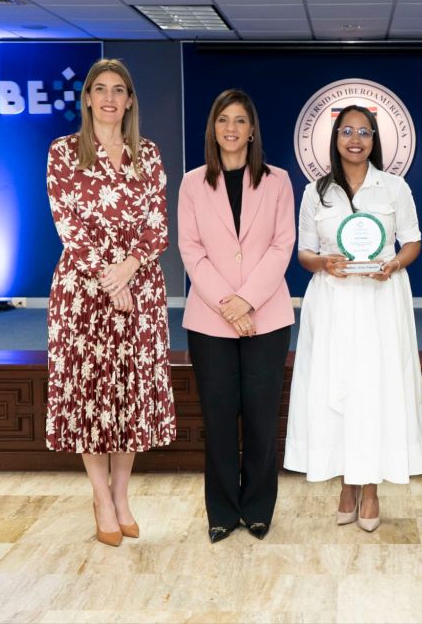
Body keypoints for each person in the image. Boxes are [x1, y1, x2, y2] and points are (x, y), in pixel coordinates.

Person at [45, 58, 176, 547]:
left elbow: (158, 224)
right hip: (83, 292)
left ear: (130, 101)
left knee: (128, 395)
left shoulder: (149, 154)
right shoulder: (63, 152)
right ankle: (100, 496)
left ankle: (122, 496)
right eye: (99, 89)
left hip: (140, 289)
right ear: (86, 99)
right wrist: (110, 279)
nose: (108, 98)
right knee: (91, 395)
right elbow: (68, 225)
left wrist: (128, 270)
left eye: (118, 90)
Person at [284, 104, 422, 531]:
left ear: (374, 139)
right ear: (335, 139)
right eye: (347, 131)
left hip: (381, 299)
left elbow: (413, 242)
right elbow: (304, 252)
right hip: (332, 301)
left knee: (375, 391)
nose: (355, 139)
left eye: (364, 132)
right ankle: (346, 483)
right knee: (338, 389)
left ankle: (371, 489)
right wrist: (323, 263)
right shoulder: (316, 191)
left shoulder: (394, 187)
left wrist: (395, 263)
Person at [178, 89, 295, 544]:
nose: (231, 128)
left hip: (267, 316)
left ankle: (259, 508)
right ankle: (223, 511)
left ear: (252, 131)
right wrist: (228, 304)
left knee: (263, 418)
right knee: (220, 418)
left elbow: (282, 245)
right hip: (211, 320)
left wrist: (247, 300)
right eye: (223, 119)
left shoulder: (278, 180)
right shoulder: (192, 183)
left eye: (240, 120)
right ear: (213, 128)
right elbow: (191, 249)